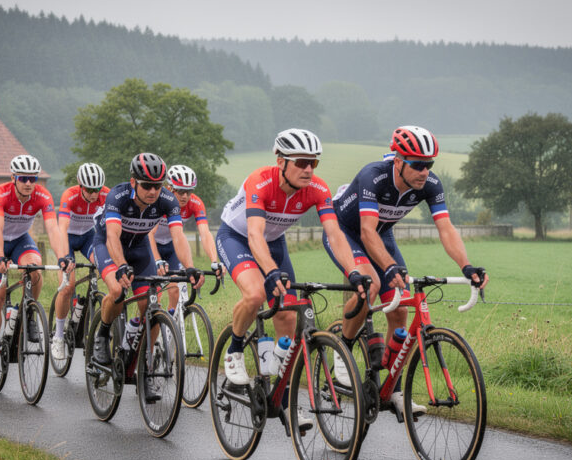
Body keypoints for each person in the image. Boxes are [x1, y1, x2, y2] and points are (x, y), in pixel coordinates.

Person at [326, 125, 488, 416]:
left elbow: (446, 229)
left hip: (381, 233)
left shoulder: (430, 184)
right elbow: (365, 231)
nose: (424, 172)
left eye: (429, 165)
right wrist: (387, 267)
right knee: (371, 285)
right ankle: (343, 350)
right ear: (399, 161)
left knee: (400, 310)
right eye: (417, 165)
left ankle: (393, 389)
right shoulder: (372, 176)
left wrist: (466, 266)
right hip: (344, 231)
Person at [216, 129, 366, 389]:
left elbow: (335, 234)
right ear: (281, 162)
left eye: (313, 162)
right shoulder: (260, 181)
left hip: (274, 243)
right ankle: (235, 349)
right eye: (301, 162)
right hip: (237, 237)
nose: (308, 169)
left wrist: (353, 271)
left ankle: (280, 388)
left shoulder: (318, 189)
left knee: (287, 315)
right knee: (254, 294)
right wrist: (271, 272)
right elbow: (254, 235)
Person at [90, 153, 205, 375]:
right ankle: (102, 334)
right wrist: (121, 264)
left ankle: (145, 365)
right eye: (147, 186)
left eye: (158, 185)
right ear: (134, 182)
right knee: (116, 290)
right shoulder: (118, 196)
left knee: (151, 307)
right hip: (109, 245)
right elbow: (113, 236)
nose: (153, 191)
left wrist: (189, 266)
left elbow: (178, 236)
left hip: (140, 249)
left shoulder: (168, 200)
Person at [0, 155, 63, 380]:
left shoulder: (42, 196)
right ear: (14, 178)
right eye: (24, 178)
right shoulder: (1, 193)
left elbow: (53, 228)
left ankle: (29, 314)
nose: (28, 183)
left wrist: (62, 255)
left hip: (19, 239)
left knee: (35, 270)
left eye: (32, 178)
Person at [50, 162, 110, 362]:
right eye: (89, 190)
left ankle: (92, 317)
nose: (94, 194)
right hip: (66, 237)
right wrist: (65, 257)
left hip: (87, 237)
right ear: (80, 185)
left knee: (106, 268)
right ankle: (58, 336)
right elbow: (62, 226)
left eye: (97, 190)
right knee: (68, 286)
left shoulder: (105, 195)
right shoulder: (70, 195)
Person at [147, 164, 223, 310]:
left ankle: (169, 327)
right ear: (170, 187)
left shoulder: (195, 203)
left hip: (171, 246)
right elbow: (150, 234)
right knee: (153, 294)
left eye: (188, 191)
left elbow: (205, 234)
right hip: (151, 245)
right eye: (181, 191)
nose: (185, 196)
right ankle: (146, 323)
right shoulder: (160, 200)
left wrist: (214, 261)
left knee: (174, 289)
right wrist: (156, 260)